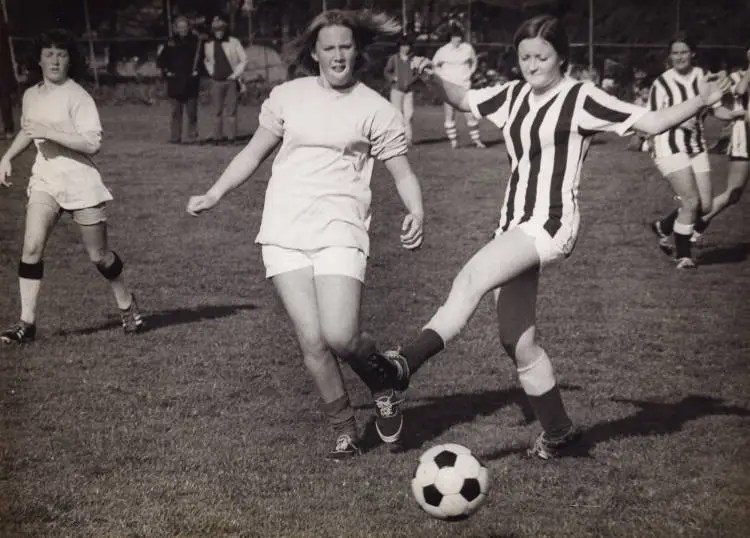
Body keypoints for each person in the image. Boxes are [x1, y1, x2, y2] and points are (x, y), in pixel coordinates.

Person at [366, 14, 730, 460]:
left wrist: (704, 100)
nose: (531, 65)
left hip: (550, 222)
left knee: (472, 276)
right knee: (517, 342)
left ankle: (403, 365)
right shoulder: (512, 94)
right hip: (513, 223)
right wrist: (430, 77)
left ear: (562, 58)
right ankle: (559, 433)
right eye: (524, 57)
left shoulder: (581, 97)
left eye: (541, 56)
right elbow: (464, 98)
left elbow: (652, 123)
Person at [186, 9, 425, 460]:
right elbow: (253, 152)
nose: (338, 55)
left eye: (345, 46)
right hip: (283, 229)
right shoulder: (286, 96)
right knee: (312, 340)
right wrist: (214, 193)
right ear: (314, 52)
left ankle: (384, 377)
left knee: (340, 335)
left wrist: (416, 210)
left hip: (341, 227)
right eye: (329, 47)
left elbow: (402, 172)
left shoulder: (376, 108)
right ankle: (345, 431)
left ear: (357, 51)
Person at [0, 29, 144, 344]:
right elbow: (29, 129)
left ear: (70, 60)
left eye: (61, 54)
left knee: (100, 257)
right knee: (31, 248)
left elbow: (92, 143)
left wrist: (49, 132)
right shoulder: (31, 95)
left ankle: (126, 302)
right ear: (38, 59)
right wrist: (7, 156)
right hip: (46, 179)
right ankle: (27, 323)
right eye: (48, 53)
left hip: (81, 183)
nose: (55, 60)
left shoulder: (78, 96)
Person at [648, 33, 715, 269]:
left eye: (684, 52)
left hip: (696, 145)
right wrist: (677, 121)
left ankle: (663, 227)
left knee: (705, 206)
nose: (679, 57)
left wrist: (738, 116)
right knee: (690, 201)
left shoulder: (702, 77)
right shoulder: (662, 83)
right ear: (670, 56)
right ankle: (683, 255)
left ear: (693, 53)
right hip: (668, 144)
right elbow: (653, 119)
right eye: (675, 53)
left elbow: (715, 108)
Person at [689, 48, 750, 236]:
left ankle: (698, 223)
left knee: (734, 194)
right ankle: (690, 223)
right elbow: (740, 90)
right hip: (745, 138)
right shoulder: (735, 76)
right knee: (734, 192)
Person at [432, 24, 485, 149]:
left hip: (464, 85)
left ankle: (476, 140)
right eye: (455, 37)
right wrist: (442, 78)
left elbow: (474, 62)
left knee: (470, 113)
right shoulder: (443, 50)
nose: (458, 39)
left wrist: (469, 73)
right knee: (449, 114)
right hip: (448, 87)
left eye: (460, 37)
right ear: (450, 38)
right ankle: (454, 141)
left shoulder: (467, 48)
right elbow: (434, 65)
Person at [157, 16, 202, 144]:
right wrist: (167, 72)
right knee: (176, 111)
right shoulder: (170, 42)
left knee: (192, 111)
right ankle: (175, 137)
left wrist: (197, 71)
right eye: (180, 27)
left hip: (191, 81)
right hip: (175, 81)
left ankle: (192, 136)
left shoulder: (196, 42)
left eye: (185, 26)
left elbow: (202, 59)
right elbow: (161, 60)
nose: (182, 29)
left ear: (189, 27)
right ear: (176, 28)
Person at [204, 15, 248, 145]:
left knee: (231, 111)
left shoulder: (233, 42)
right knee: (217, 111)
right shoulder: (209, 44)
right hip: (216, 81)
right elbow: (206, 60)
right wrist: (212, 72)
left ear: (225, 29)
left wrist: (235, 75)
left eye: (221, 29)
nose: (219, 32)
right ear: (213, 30)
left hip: (231, 81)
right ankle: (218, 137)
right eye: (216, 29)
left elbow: (244, 59)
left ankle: (231, 137)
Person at [384, 36, 419, 145]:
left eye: (408, 45)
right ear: (399, 47)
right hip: (397, 91)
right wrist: (392, 78)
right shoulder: (394, 59)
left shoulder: (413, 59)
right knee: (397, 115)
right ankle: (398, 139)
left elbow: (417, 73)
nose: (406, 48)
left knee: (409, 114)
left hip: (409, 91)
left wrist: (412, 80)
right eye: (403, 45)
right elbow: (386, 71)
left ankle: (408, 139)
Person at [0, 14, 17, 139]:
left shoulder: (2, 27)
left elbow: (9, 29)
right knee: (4, 98)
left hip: (2, 68)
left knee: (4, 98)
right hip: (3, 67)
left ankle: (9, 129)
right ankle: (7, 129)